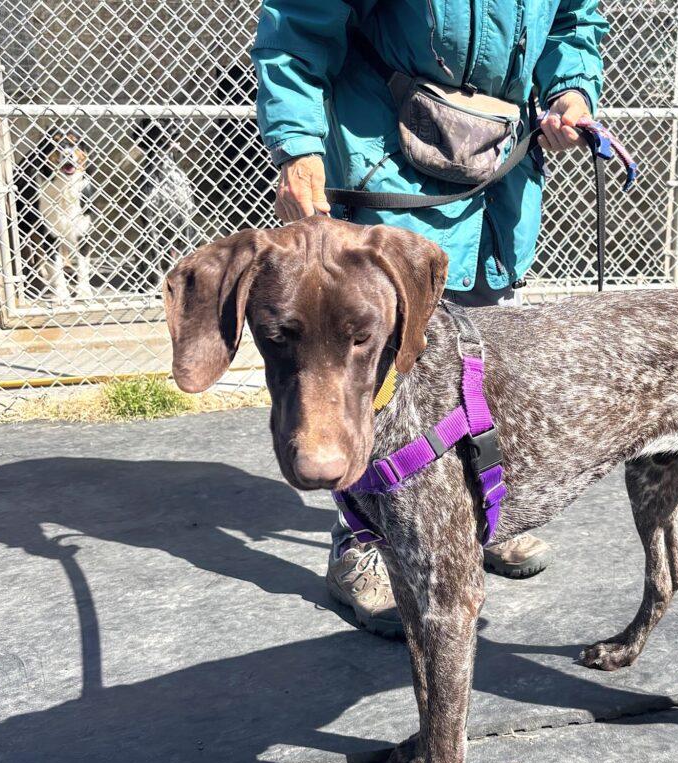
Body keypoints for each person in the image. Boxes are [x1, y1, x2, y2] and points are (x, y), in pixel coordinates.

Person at [252, 0, 607, 637]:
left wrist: (570, 93)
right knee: (372, 376)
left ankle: (476, 515)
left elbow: (572, 22)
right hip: (386, 152)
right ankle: (360, 541)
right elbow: (299, 27)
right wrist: (299, 146)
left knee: (476, 360)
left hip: (498, 166)